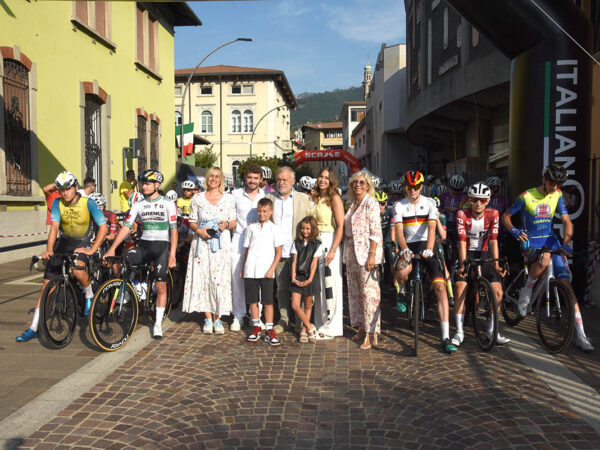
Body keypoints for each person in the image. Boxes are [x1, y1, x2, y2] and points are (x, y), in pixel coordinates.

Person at [502, 163, 594, 351]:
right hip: (531, 241)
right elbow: (506, 216)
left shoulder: (557, 194)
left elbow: (567, 221)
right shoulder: (526, 196)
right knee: (544, 259)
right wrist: (514, 231)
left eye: (558, 184)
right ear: (544, 179)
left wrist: (566, 241)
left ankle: (581, 335)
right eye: (551, 182)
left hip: (551, 240)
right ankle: (527, 291)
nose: (555, 186)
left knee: (567, 285)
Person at [16, 171, 108, 342]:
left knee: (78, 271)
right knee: (46, 287)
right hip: (64, 243)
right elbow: (54, 227)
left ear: (76, 187)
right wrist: (49, 249)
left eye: (68, 189)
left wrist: (92, 250)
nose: (65, 193)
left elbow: (104, 228)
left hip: (82, 242)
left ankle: (89, 294)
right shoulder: (57, 203)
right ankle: (34, 327)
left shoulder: (88, 203)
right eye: (61, 190)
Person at [104, 169, 176, 339]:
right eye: (143, 184)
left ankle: (157, 324)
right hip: (144, 246)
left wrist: (172, 254)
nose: (144, 187)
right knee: (123, 259)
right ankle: (129, 290)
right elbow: (126, 227)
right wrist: (112, 248)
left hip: (161, 247)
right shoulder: (138, 204)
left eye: (148, 184)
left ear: (157, 185)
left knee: (161, 286)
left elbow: (173, 231)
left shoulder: (167, 204)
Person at [394, 170, 457, 353]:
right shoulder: (399, 205)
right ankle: (402, 291)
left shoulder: (430, 203)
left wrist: (430, 248)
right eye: (409, 187)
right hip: (409, 243)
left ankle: (445, 336)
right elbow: (399, 231)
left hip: (426, 243)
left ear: (421, 186)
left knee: (440, 287)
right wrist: (404, 248)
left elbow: (431, 228)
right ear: (405, 187)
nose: (412, 190)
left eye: (416, 187)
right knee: (402, 271)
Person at [452, 183, 510, 347]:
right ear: (469, 200)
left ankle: (492, 331)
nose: (478, 203)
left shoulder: (494, 214)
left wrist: (496, 264)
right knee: (460, 289)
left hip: (484, 254)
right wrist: (462, 265)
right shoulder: (462, 214)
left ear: (488, 201)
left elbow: (493, 240)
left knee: (498, 292)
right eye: (474, 200)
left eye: (483, 200)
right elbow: (462, 242)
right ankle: (459, 332)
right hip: (466, 253)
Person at [181, 167, 236, 335]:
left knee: (219, 278)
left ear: (221, 180)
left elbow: (234, 221)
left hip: (221, 244)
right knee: (203, 277)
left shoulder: (228, 199)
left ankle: (218, 318)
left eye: (217, 176)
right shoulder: (198, 198)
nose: (213, 179)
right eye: (211, 176)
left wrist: (226, 225)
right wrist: (199, 231)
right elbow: (192, 221)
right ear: (207, 178)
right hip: (202, 243)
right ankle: (207, 318)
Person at [267, 166, 311, 334]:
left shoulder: (303, 199)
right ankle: (284, 319)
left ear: (293, 181)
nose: (281, 183)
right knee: (282, 289)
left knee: (299, 289)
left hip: (298, 252)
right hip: (279, 252)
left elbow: (310, 223)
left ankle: (300, 322)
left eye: (285, 179)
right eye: (278, 179)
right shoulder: (269, 198)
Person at [344, 171, 383, 350]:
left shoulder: (371, 202)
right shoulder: (352, 204)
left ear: (368, 186)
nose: (358, 185)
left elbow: (376, 230)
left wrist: (372, 254)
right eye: (355, 182)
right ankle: (361, 326)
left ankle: (371, 332)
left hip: (367, 252)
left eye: (362, 182)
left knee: (370, 294)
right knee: (356, 292)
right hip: (352, 251)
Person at [309, 167, 345, 339]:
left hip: (329, 241)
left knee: (330, 284)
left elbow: (341, 226)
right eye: (320, 176)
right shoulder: (316, 197)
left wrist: (333, 249)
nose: (322, 180)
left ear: (331, 181)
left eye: (326, 177)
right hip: (315, 242)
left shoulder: (334, 198)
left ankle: (331, 327)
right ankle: (320, 324)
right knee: (319, 285)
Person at [241, 198, 283, 345]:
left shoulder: (275, 229)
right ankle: (256, 327)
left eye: (265, 211)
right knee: (252, 300)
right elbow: (246, 250)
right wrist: (243, 269)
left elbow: (279, 252)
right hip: (250, 270)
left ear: (271, 211)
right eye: (259, 211)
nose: (262, 214)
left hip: (266, 271)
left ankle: (269, 329)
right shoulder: (251, 228)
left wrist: (272, 269)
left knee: (268, 300)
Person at [231, 165, 265, 331]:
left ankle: (255, 316)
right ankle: (238, 315)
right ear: (245, 178)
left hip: (259, 241)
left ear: (261, 179)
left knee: (258, 279)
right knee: (236, 278)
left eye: (256, 178)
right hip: (238, 239)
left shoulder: (265, 195)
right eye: (250, 177)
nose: (252, 181)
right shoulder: (235, 195)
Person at [291, 216, 323, 343]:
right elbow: (294, 261)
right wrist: (293, 277)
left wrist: (310, 279)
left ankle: (304, 331)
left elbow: (314, 263)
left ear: (313, 229)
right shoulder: (296, 243)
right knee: (295, 305)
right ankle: (310, 327)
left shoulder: (317, 244)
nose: (305, 231)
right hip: (298, 276)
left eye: (308, 229)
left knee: (308, 304)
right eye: (303, 228)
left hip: (310, 276)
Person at [440, 174, 466, 260]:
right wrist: (446, 210)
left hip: (457, 224)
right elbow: (438, 210)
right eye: (453, 189)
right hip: (445, 223)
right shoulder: (443, 196)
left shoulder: (463, 197)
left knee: (456, 245)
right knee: (442, 242)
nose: (455, 191)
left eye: (458, 190)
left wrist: (457, 210)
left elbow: (466, 210)